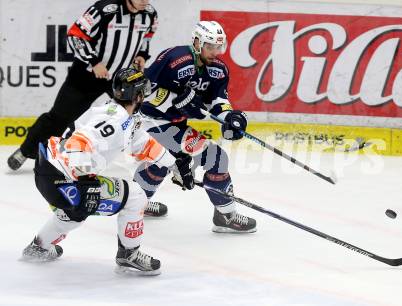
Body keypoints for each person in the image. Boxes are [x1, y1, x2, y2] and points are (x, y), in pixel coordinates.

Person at [21, 68, 194, 276]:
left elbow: (143, 144)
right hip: (67, 179)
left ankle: (38, 248)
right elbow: (79, 142)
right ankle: (128, 255)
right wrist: (86, 181)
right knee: (135, 196)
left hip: (47, 171)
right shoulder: (117, 120)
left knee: (73, 213)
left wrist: (176, 164)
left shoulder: (113, 112)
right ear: (138, 96)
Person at [135, 21, 257, 233]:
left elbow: (218, 101)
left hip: (175, 126)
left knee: (162, 161)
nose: (215, 52)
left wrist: (230, 117)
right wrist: (174, 99)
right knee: (215, 158)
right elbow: (142, 87)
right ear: (197, 42)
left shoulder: (218, 70)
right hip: (148, 121)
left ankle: (136, 203)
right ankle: (226, 216)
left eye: (219, 47)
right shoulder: (175, 58)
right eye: (211, 46)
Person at [8, 0, 157, 170]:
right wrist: (94, 62)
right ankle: (26, 151)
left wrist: (142, 55)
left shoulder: (150, 14)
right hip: (87, 75)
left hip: (120, 77)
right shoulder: (105, 10)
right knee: (60, 116)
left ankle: (148, 155)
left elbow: (146, 37)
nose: (145, 1)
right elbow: (75, 35)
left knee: (137, 114)